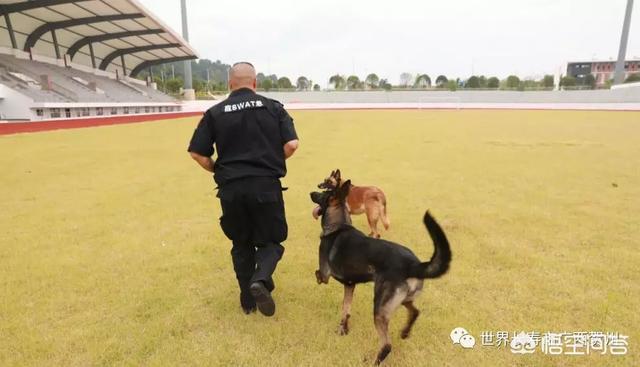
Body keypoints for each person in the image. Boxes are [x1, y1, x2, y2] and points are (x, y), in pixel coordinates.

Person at [187, 62, 299, 316]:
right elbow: (292, 144)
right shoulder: (273, 108)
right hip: (266, 186)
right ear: (255, 83)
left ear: (230, 84)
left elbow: (197, 153)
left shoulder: (215, 112)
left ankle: (248, 301)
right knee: (272, 241)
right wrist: (271, 162)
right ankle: (260, 279)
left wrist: (219, 170)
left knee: (241, 243)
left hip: (231, 189)